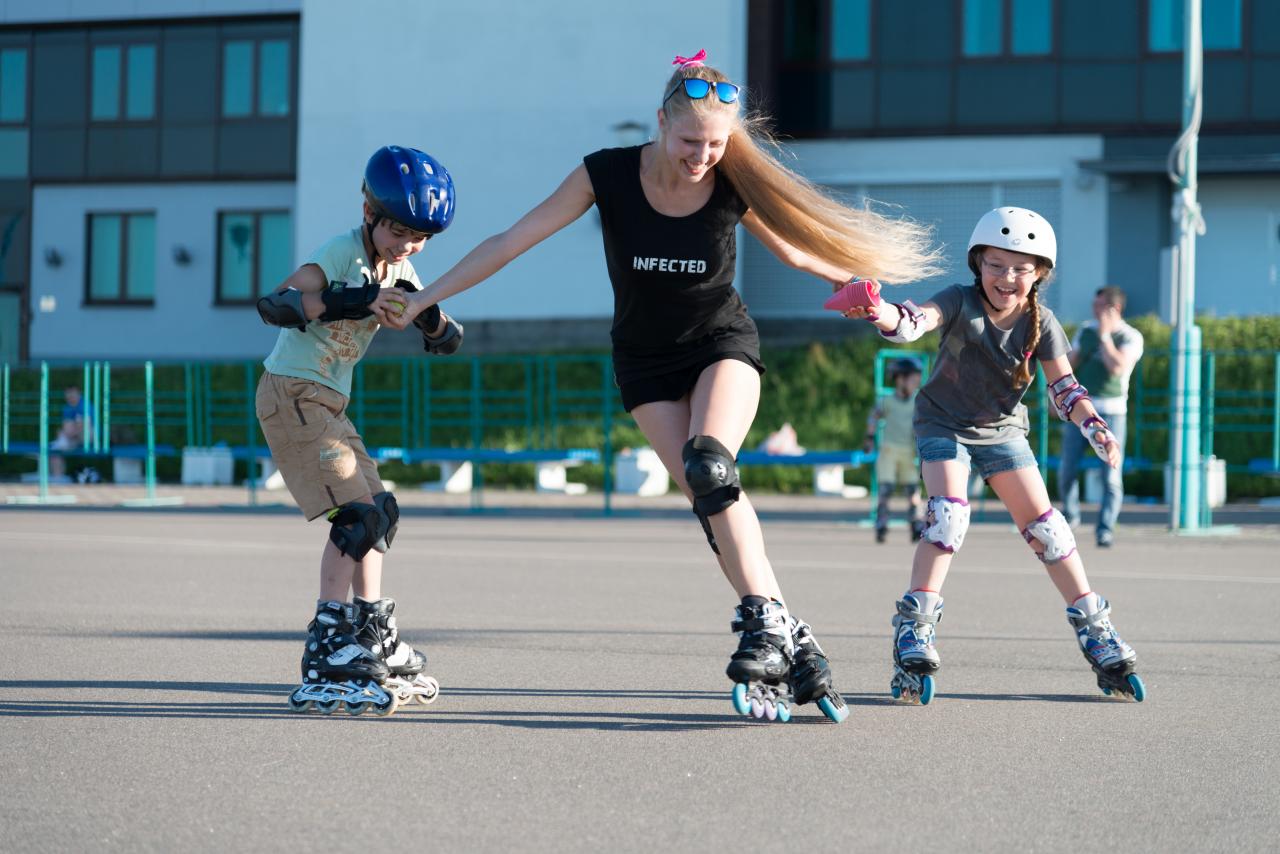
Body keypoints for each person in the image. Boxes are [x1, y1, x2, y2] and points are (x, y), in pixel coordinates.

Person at [372, 49, 939, 723]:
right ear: (661, 120)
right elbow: (511, 240)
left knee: (711, 462)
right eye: (691, 140)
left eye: (718, 143)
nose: (703, 155)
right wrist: (422, 299)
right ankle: (789, 630)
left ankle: (762, 621)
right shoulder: (605, 174)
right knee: (710, 499)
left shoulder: (730, 182)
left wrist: (866, 298)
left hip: (719, 344)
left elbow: (795, 251)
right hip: (642, 361)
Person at [842, 207, 1145, 705]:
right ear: (977, 263)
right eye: (996, 264)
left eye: (1021, 268)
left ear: (1040, 273)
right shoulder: (960, 303)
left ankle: (1096, 629)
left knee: (1050, 530)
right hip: (943, 424)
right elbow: (915, 321)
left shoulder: (1040, 322)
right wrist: (880, 311)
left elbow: (1064, 385)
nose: (1008, 278)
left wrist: (1094, 426)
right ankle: (915, 627)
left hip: (1002, 431)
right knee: (948, 517)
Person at [255, 145, 462, 716]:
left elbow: (445, 333)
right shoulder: (344, 251)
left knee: (379, 510)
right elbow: (277, 303)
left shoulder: (402, 267)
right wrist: (359, 298)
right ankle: (327, 642)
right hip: (291, 393)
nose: (408, 245)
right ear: (370, 212)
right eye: (400, 230)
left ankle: (371, 629)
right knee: (356, 517)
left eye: (421, 236)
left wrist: (430, 320)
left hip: (327, 401)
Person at [1058, 286, 1143, 547]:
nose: (1094, 311)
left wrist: (1105, 337)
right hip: (1081, 412)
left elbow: (1117, 368)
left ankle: (1105, 529)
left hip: (1112, 412)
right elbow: (1066, 366)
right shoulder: (1085, 331)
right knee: (1067, 469)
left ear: (1114, 309)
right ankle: (1071, 517)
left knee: (1110, 475)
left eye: (1100, 306)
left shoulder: (1130, 336)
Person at [864, 357, 924, 544]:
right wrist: (869, 438)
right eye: (913, 380)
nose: (915, 384)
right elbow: (874, 417)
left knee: (912, 489)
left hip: (908, 451)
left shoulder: (918, 401)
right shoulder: (887, 401)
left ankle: (916, 524)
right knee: (885, 489)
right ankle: (881, 523)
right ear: (900, 379)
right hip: (889, 450)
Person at [49, 385, 93, 480]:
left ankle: (62, 442)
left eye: (72, 394)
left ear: (78, 394)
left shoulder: (85, 405)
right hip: (73, 438)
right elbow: (66, 425)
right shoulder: (67, 408)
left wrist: (66, 434)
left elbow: (85, 426)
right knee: (55, 450)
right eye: (68, 395)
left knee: (76, 425)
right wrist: (62, 434)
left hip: (88, 436)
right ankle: (58, 478)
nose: (70, 397)